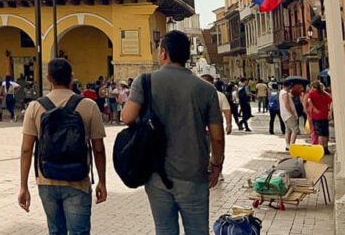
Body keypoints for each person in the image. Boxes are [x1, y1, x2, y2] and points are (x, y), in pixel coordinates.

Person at [122, 31, 224, 235]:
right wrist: (216, 163)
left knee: (165, 229)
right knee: (197, 230)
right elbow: (217, 135)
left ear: (164, 53)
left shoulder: (144, 82)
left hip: (156, 172)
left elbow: (127, 117)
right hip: (194, 172)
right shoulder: (206, 89)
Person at [18, 58, 107, 235]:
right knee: (79, 232)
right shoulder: (88, 106)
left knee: (55, 230)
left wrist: (23, 186)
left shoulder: (35, 107)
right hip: (78, 180)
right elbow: (98, 149)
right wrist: (102, 182)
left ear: (49, 78)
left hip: (47, 179)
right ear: (72, 78)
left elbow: (26, 149)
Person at [305, 80, 332, 150]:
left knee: (319, 134)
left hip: (316, 116)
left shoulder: (311, 94)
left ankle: (321, 148)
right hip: (324, 115)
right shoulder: (324, 94)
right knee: (325, 133)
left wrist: (314, 108)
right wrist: (330, 111)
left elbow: (309, 101)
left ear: (313, 87)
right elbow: (331, 101)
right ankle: (326, 148)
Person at [280, 81, 303, 151]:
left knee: (288, 130)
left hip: (285, 115)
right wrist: (292, 113)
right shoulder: (285, 94)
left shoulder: (282, 92)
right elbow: (287, 105)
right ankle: (292, 145)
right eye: (290, 86)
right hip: (289, 115)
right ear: (288, 86)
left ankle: (288, 145)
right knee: (295, 130)